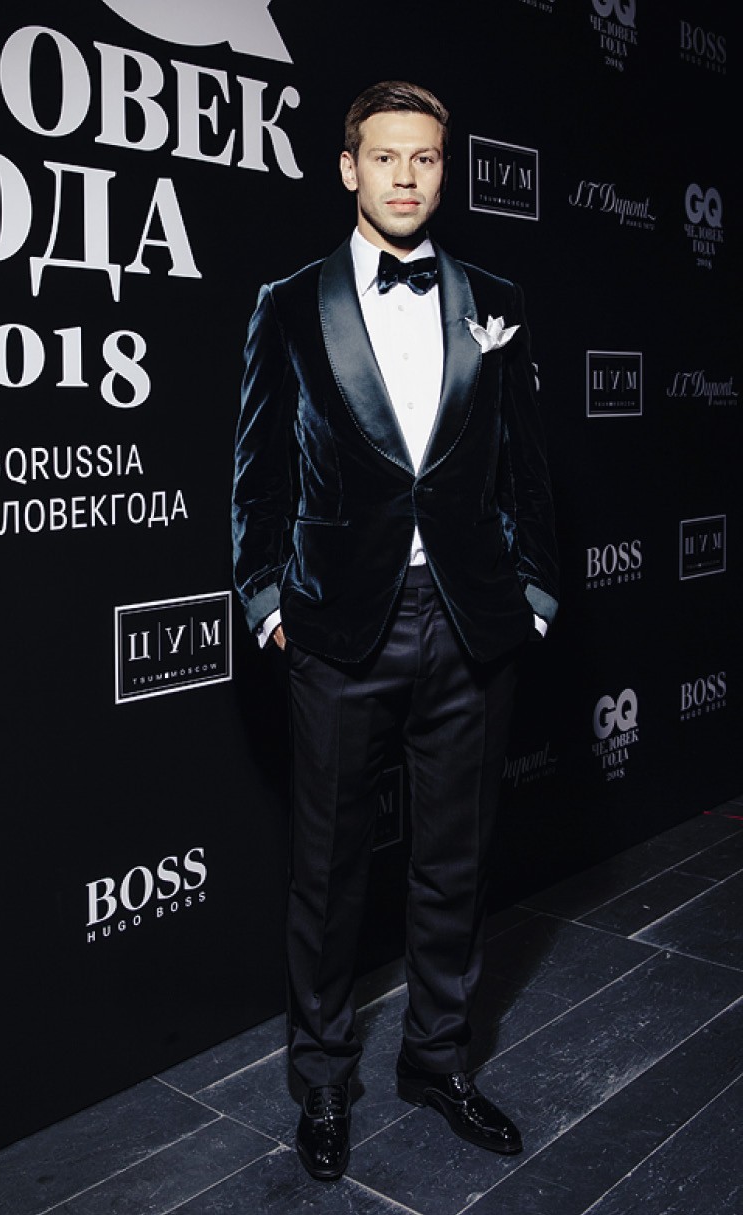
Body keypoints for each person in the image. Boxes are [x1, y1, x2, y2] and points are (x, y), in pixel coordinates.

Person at [232, 81, 559, 1181]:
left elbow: (528, 459)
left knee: (455, 863)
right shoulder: (289, 303)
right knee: (327, 873)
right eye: (386, 157)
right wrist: (267, 600)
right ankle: (323, 1081)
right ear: (348, 168)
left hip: (470, 620)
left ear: (443, 168)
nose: (407, 176)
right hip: (337, 625)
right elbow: (256, 474)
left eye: (425, 158)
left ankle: (439, 1061)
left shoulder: (495, 299)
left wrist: (537, 592)